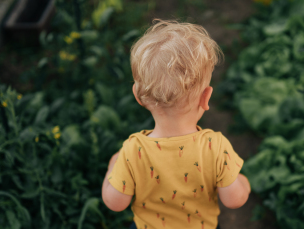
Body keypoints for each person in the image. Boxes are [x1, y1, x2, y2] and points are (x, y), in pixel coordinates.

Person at [101, 19, 251, 229]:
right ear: (205, 97)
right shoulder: (215, 148)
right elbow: (235, 200)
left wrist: (111, 169)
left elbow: (115, 203)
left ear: (138, 96)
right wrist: (242, 181)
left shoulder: (133, 151)